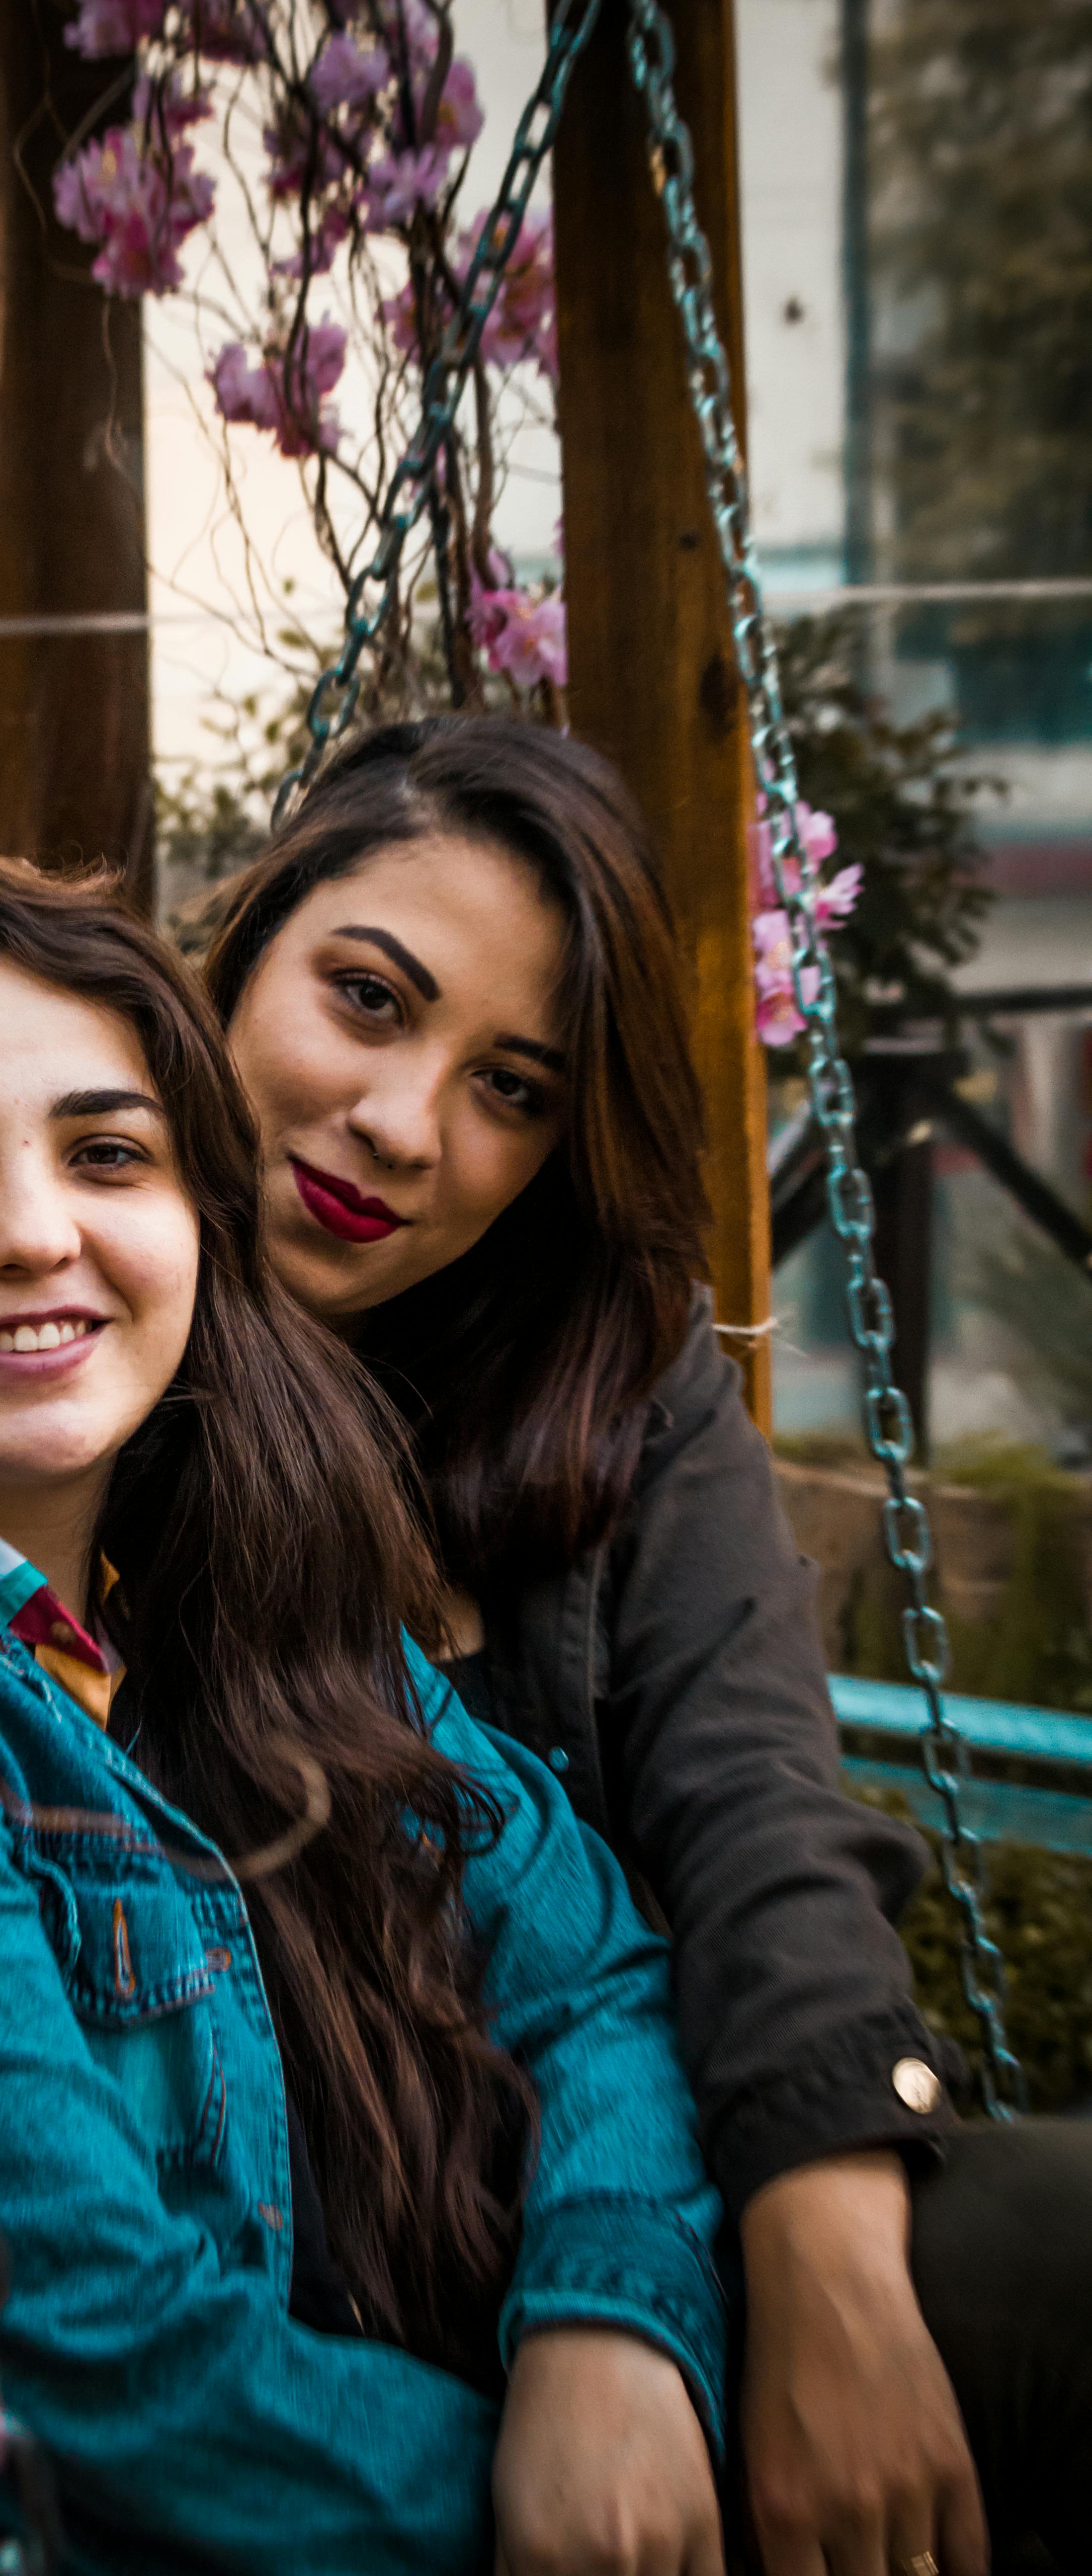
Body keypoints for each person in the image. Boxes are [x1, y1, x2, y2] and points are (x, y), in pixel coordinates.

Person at [0, 832, 729, 2576]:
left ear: (197, 1218)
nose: (38, 1235)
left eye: (109, 1155)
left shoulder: (223, 1596)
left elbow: (595, 1966)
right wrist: (567, 2514)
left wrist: (614, 2334)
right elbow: (96, 2357)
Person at [205, 714, 1092, 2576]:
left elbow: (750, 1812)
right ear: (243, 941)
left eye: (512, 1089)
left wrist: (828, 2266)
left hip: (623, 2197)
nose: (403, 1126)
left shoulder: (609, 1385)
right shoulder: (62, 1349)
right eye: (366, 1000)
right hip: (289, 2291)